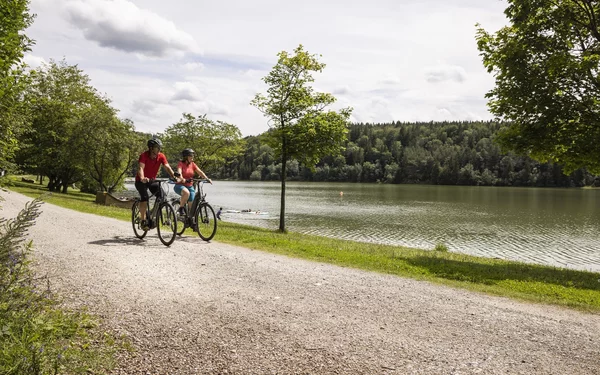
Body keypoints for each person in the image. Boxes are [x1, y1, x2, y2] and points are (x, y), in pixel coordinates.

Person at [135, 138, 181, 230]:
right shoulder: (144, 155)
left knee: (162, 196)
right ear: (151, 148)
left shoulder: (161, 156)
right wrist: (143, 178)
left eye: (159, 147)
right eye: (157, 147)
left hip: (152, 181)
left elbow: (167, 167)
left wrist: (174, 176)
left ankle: (152, 215)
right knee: (144, 198)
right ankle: (143, 220)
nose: (159, 149)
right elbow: (141, 168)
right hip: (141, 181)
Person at [174, 148, 211, 215]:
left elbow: (200, 172)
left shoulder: (193, 164)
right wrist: (182, 178)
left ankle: (190, 219)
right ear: (186, 157)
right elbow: (179, 172)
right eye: (190, 156)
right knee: (186, 193)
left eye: (193, 155)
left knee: (191, 203)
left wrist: (207, 178)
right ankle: (181, 208)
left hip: (190, 186)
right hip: (180, 185)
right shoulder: (181, 164)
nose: (192, 157)